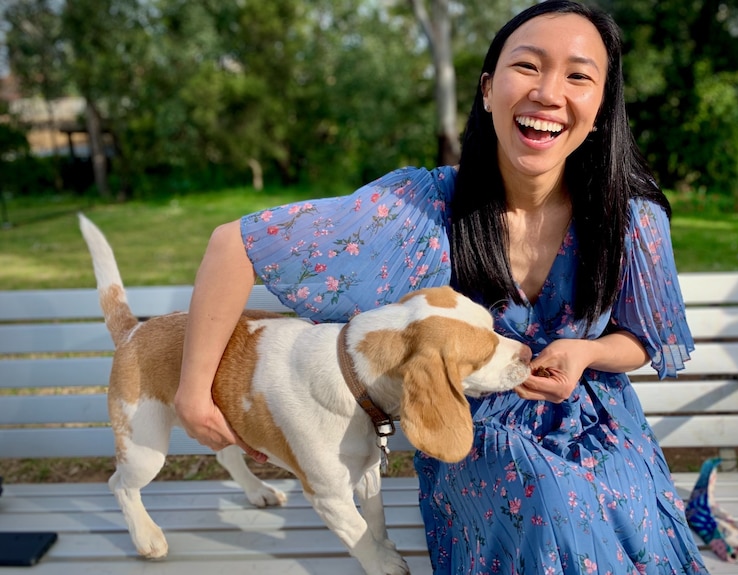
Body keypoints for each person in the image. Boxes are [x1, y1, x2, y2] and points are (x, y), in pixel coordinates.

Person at [174, 1, 709, 572]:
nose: (550, 93)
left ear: (600, 107)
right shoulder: (420, 209)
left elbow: (643, 339)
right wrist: (192, 392)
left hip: (600, 425)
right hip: (470, 429)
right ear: (486, 88)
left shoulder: (630, 216)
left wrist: (588, 352)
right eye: (528, 66)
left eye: (579, 76)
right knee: (548, 504)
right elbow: (234, 244)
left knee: (626, 514)